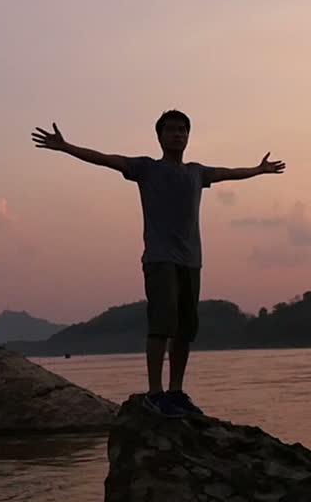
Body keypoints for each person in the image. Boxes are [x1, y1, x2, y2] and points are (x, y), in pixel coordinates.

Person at [33, 110, 285, 416]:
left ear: (188, 136)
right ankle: (155, 393)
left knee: (184, 330)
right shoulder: (146, 168)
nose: (178, 134)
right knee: (161, 326)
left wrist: (259, 170)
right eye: (171, 130)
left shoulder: (197, 172)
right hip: (160, 259)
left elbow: (229, 172)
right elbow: (104, 158)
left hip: (192, 261)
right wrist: (67, 146)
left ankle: (176, 392)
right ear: (160, 136)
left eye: (183, 130)